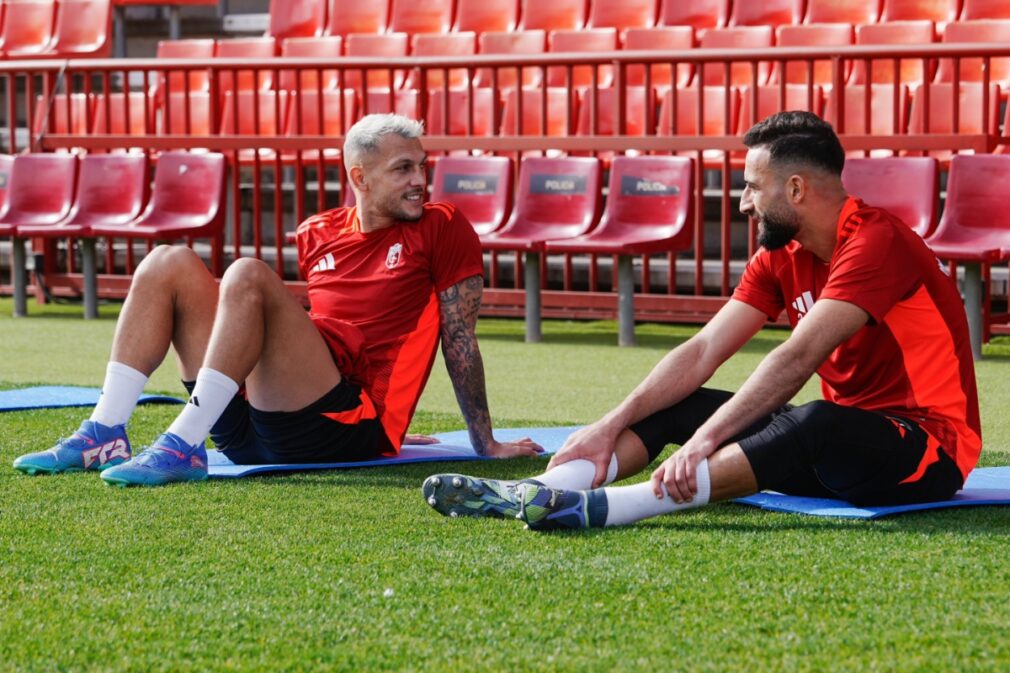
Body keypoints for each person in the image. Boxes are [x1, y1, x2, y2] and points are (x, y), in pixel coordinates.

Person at [422, 111, 981, 530]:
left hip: (928, 451)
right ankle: (540, 491)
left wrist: (706, 441)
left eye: (752, 187)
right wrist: (609, 424)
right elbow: (702, 350)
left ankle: (610, 509)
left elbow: (794, 360)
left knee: (814, 419)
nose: (742, 203)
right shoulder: (780, 254)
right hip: (840, 456)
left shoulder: (877, 242)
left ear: (795, 189)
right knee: (679, 404)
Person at [13, 113, 541, 486]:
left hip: (350, 424)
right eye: (403, 169)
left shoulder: (442, 225)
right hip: (252, 427)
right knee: (166, 262)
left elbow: (459, 338)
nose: (420, 181)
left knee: (247, 273)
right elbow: (320, 334)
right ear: (359, 177)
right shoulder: (317, 231)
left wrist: (482, 441)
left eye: (421, 167)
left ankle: (183, 444)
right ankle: (104, 431)